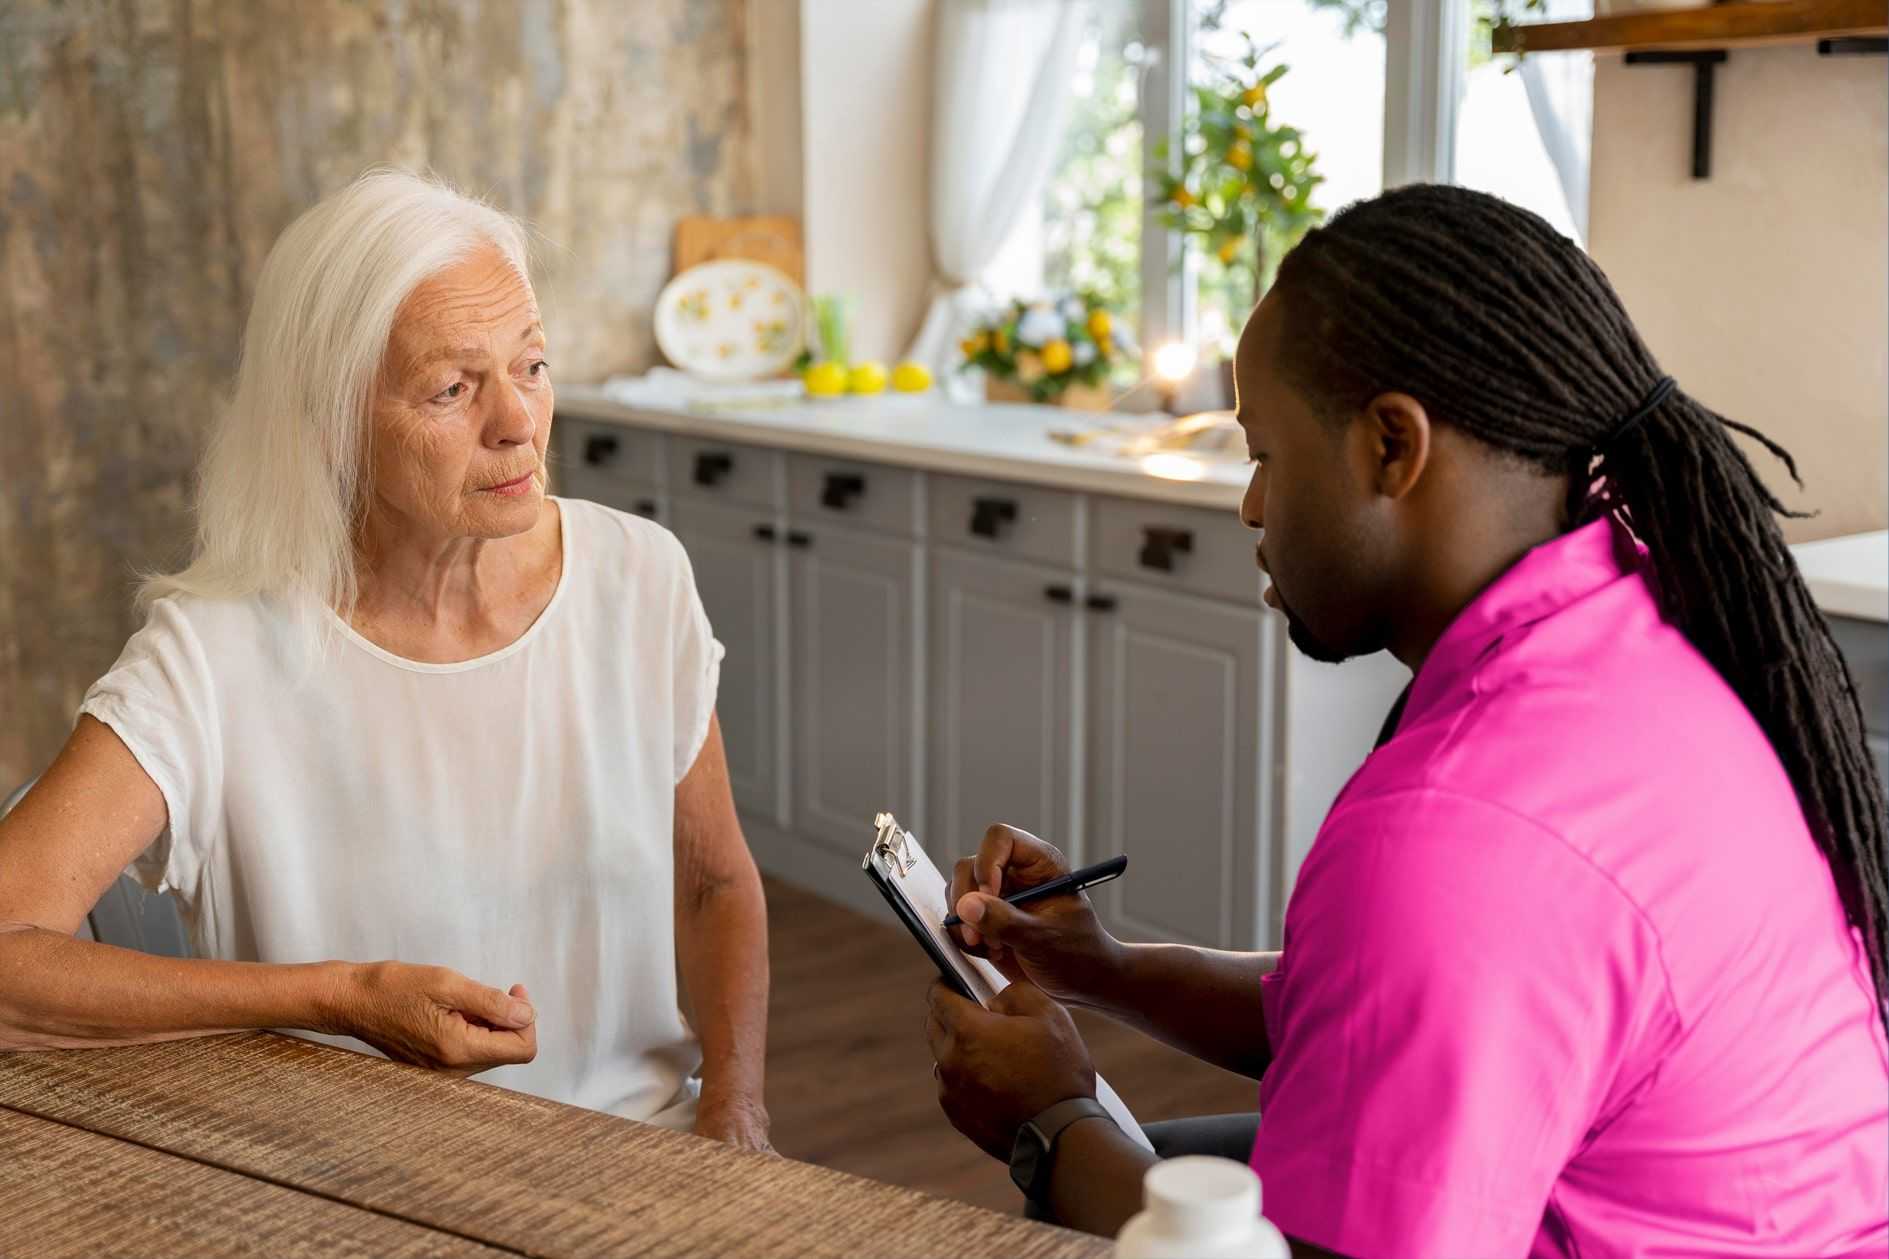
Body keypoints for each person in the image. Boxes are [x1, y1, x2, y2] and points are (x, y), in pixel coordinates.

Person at [925, 184, 1889, 1255]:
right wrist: (1094, 965)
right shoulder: (1645, 621)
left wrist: (1046, 1123)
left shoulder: (1464, 823)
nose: (1249, 506)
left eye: (1263, 455)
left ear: (1391, 446)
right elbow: (1368, 1012)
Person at [0, 170, 772, 1150]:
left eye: (529, 364)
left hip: (640, 1159)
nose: (516, 420)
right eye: (453, 388)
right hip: (344, 1192)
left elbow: (713, 882)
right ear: (332, 422)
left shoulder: (641, 576)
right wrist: (344, 994)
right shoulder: (213, 655)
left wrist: (734, 1109)